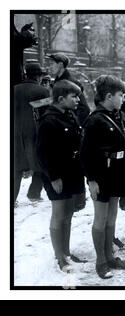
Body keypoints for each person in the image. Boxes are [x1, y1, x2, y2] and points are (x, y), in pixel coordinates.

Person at [80, 75, 125, 279]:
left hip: (116, 172)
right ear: (108, 96)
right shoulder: (95, 120)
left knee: (112, 218)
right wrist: (91, 180)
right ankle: (100, 261)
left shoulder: (117, 115)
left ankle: (110, 256)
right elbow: (85, 154)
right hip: (101, 174)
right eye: (121, 95)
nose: (123, 99)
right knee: (100, 219)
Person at [36, 80, 87, 271]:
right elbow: (42, 153)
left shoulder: (69, 115)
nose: (77, 100)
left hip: (72, 171)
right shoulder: (48, 121)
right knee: (59, 215)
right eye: (73, 96)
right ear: (60, 98)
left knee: (68, 214)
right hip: (57, 174)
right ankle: (60, 257)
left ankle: (66, 251)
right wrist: (54, 177)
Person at [48, 53, 90, 212]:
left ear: (61, 65)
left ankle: (76, 200)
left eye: (52, 64)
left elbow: (84, 109)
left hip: (69, 134)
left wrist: (72, 124)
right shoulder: (57, 82)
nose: (49, 66)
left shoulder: (70, 83)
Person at [14, 63, 50, 204]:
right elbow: (46, 114)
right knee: (40, 163)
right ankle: (34, 193)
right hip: (34, 133)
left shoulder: (13, 89)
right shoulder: (42, 91)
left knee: (15, 168)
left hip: (14, 133)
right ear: (38, 76)